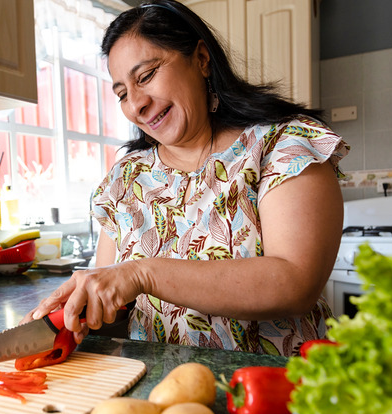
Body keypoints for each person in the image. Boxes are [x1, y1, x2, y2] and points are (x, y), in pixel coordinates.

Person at [24, 0, 349, 356]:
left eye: (146, 76)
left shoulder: (282, 146)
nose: (136, 105)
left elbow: (295, 284)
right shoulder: (126, 179)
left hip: (280, 391)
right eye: (121, 94)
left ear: (201, 59)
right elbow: (111, 307)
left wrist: (142, 274)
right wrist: (69, 317)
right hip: (160, 394)